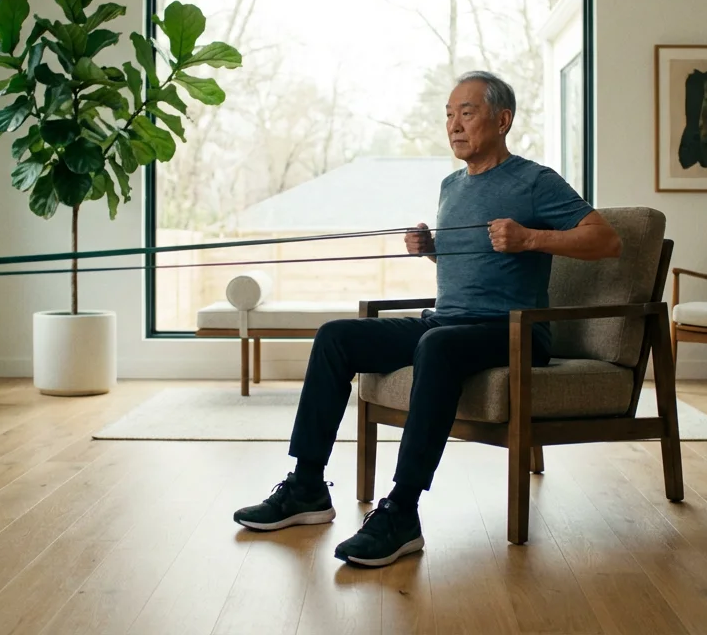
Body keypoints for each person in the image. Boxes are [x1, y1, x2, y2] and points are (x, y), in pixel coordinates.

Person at [232, 70, 622, 567]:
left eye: (468, 112)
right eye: (449, 114)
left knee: (436, 347)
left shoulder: (534, 180)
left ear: (502, 120)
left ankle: (402, 512)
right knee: (336, 337)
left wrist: (530, 238)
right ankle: (307, 485)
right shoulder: (450, 185)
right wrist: (433, 252)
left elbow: (606, 240)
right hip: (447, 321)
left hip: (513, 331)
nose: (454, 125)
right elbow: (477, 267)